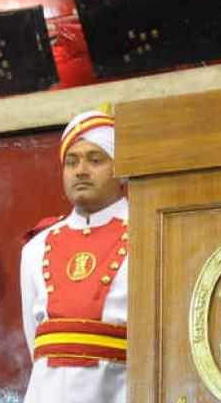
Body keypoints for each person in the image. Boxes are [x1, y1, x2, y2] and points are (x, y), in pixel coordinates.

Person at [20, 110, 128, 403]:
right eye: (72, 161)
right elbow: (35, 344)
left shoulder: (147, 233)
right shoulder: (35, 248)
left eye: (95, 160)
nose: (81, 170)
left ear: (121, 170)